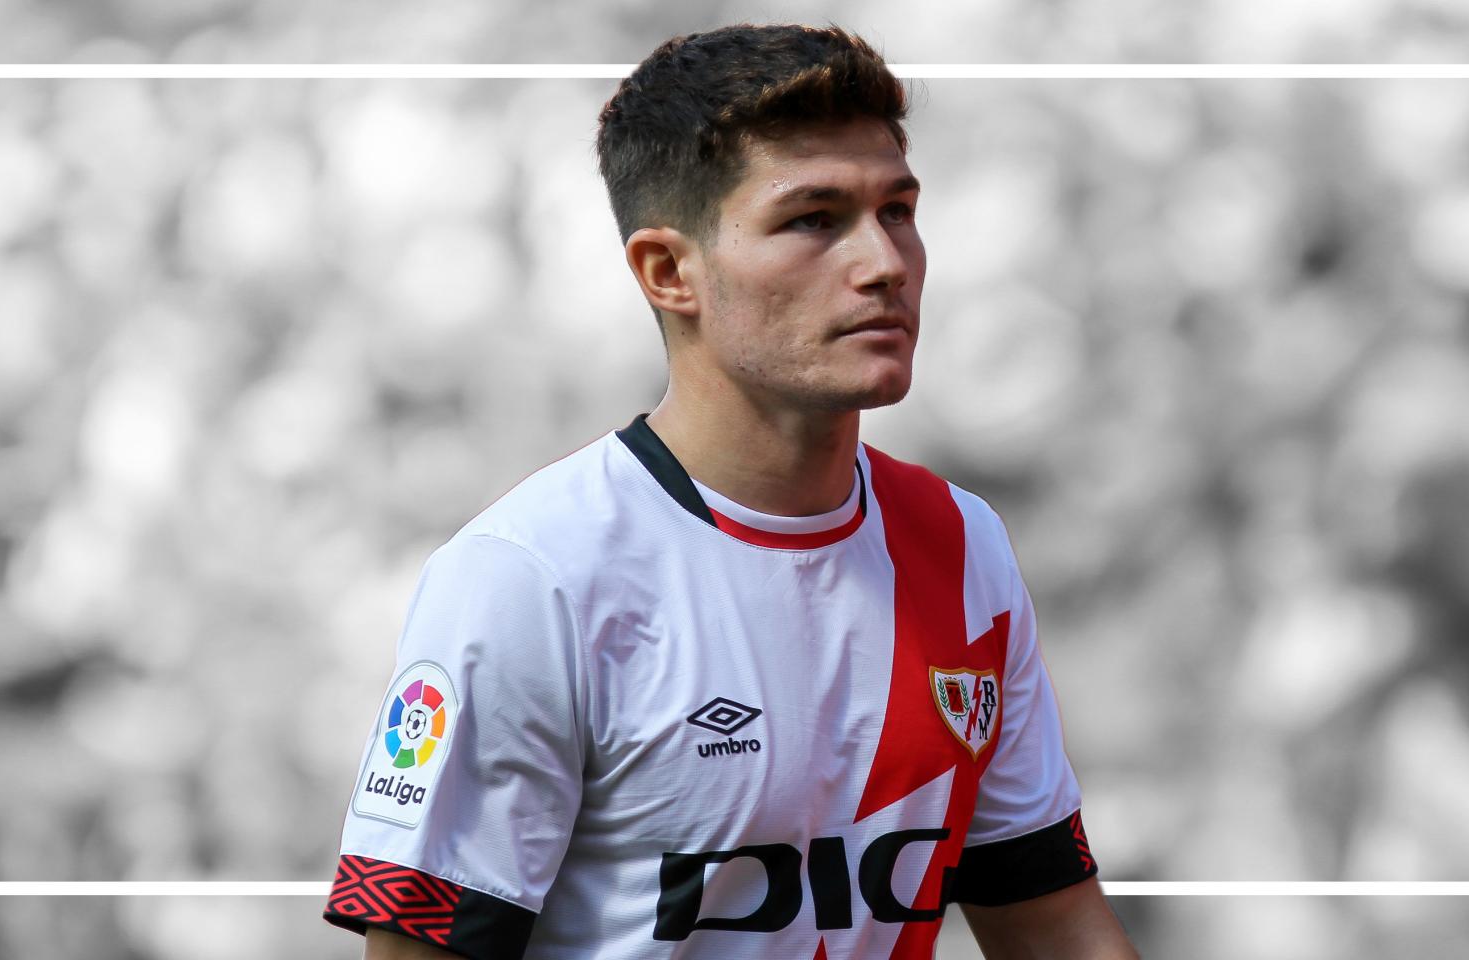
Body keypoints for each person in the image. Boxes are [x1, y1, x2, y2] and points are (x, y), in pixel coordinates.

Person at [322, 22, 1139, 960]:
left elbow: (1056, 928)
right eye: (814, 220)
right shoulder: (531, 578)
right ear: (670, 272)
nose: (884, 263)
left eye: (898, 210)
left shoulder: (962, 544)